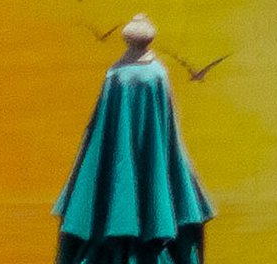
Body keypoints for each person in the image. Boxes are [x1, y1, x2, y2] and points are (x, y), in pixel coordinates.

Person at [56, 13, 213, 264]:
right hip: (158, 228)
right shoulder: (155, 77)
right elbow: (163, 135)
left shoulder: (117, 77)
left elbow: (106, 135)